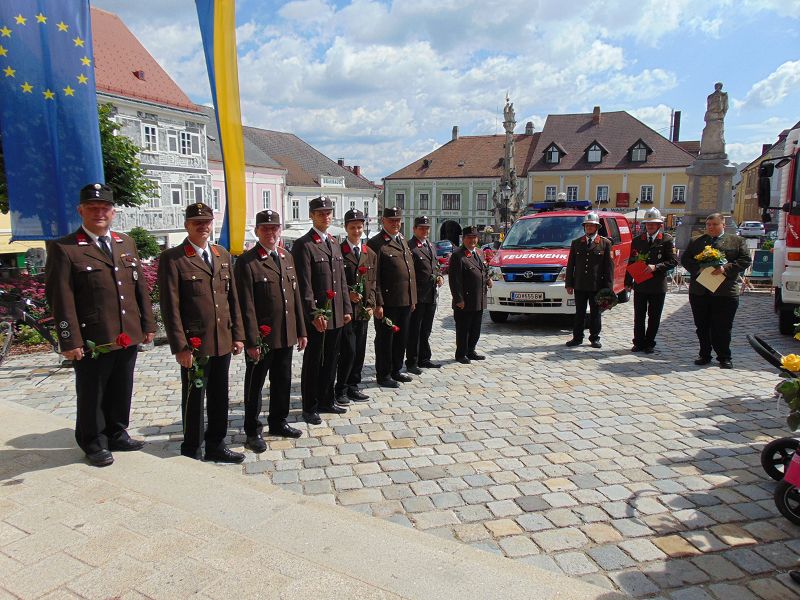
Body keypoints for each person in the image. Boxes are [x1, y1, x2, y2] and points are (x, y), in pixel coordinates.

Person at [45, 183, 155, 467]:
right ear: (80, 210)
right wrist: (70, 341)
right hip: (93, 336)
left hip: (127, 332)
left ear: (113, 212)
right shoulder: (65, 248)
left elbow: (139, 287)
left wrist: (147, 323)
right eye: (92, 208)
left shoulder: (125, 242)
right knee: (93, 391)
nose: (99, 213)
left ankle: (117, 432)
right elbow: (61, 298)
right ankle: (93, 441)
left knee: (122, 386)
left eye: (104, 208)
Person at [158, 202, 245, 463]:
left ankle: (217, 444)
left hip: (223, 338)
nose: (203, 226)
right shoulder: (173, 258)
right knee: (194, 397)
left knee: (220, 396)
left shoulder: (222, 255)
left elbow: (233, 300)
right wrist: (180, 346)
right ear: (187, 225)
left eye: (207, 222)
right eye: (197, 222)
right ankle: (192, 448)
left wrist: (238, 335)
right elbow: (170, 306)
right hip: (195, 344)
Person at [235, 209, 307, 451]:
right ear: (256, 231)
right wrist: (252, 341)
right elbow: (246, 304)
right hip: (263, 338)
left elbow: (295, 297)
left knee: (282, 381)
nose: (270, 232)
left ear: (280, 230)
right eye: (265, 228)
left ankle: (278, 421)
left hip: (286, 333)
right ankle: (252, 430)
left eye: (274, 228)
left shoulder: (286, 257)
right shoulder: (247, 261)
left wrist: (301, 330)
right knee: (254, 386)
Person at [291, 196, 352, 424]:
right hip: (318, 317)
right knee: (314, 362)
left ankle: (327, 399)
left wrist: (346, 308)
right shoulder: (304, 245)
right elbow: (304, 285)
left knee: (332, 360)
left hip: (336, 314)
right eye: (320, 213)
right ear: (311, 216)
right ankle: (310, 406)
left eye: (328, 213)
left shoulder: (334, 243)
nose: (325, 216)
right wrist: (313, 313)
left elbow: (341, 281)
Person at [681, 212, 751, 369]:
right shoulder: (697, 241)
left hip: (724, 292)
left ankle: (724, 356)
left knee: (722, 326)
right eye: (708, 225)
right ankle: (704, 354)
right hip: (700, 291)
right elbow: (685, 259)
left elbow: (745, 260)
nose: (711, 227)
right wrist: (698, 269)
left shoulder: (736, 241)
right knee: (702, 325)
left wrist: (725, 268)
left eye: (714, 224)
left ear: (723, 225)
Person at [367, 207, 417, 387]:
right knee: (385, 339)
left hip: (404, 300)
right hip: (388, 303)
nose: (395, 223)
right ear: (383, 221)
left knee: (401, 338)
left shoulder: (402, 240)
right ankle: (383, 374)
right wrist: (377, 303)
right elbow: (374, 276)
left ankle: (396, 369)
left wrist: (413, 298)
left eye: (398, 220)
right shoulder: (376, 243)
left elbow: (410, 271)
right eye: (391, 221)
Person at [335, 209, 377, 404]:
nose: (357, 230)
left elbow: (373, 282)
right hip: (346, 311)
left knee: (359, 350)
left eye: (359, 227)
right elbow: (337, 281)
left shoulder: (370, 253)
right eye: (353, 227)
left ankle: (354, 385)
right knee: (347, 350)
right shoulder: (339, 251)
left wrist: (371, 304)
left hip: (363, 311)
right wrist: (347, 295)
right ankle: (341, 388)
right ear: (346, 228)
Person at [624, 208, 677, 353]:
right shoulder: (637, 240)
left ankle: (649, 343)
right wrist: (628, 282)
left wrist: (657, 266)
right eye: (648, 224)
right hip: (641, 283)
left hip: (657, 285)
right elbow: (631, 261)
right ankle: (638, 342)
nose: (650, 226)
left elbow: (673, 261)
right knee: (639, 316)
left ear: (659, 225)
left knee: (654, 316)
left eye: (653, 224)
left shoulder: (666, 240)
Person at [565, 212, 613, 349]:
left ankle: (595, 338)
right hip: (580, 284)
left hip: (596, 285)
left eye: (592, 226)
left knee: (595, 313)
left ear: (597, 227)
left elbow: (609, 267)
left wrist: (608, 287)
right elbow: (570, 265)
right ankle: (577, 337)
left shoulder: (605, 243)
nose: (589, 228)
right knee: (579, 313)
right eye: (587, 226)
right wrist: (569, 283)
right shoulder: (576, 243)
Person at [448, 226, 491, 364]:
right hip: (465, 300)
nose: (472, 240)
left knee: (475, 328)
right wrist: (458, 298)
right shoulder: (458, 255)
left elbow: (483, 270)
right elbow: (455, 280)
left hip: (478, 298)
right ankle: (461, 354)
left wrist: (488, 279)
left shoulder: (478, 252)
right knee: (463, 329)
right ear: (463, 239)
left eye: (474, 237)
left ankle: (471, 350)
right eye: (469, 238)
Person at [406, 215, 443, 373]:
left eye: (427, 228)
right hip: (418, 295)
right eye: (421, 228)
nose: (425, 231)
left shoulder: (430, 245)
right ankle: (412, 361)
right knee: (415, 330)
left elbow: (435, 266)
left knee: (426, 329)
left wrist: (439, 275)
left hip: (431, 295)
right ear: (414, 229)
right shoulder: (410, 247)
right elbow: (409, 274)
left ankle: (424, 358)